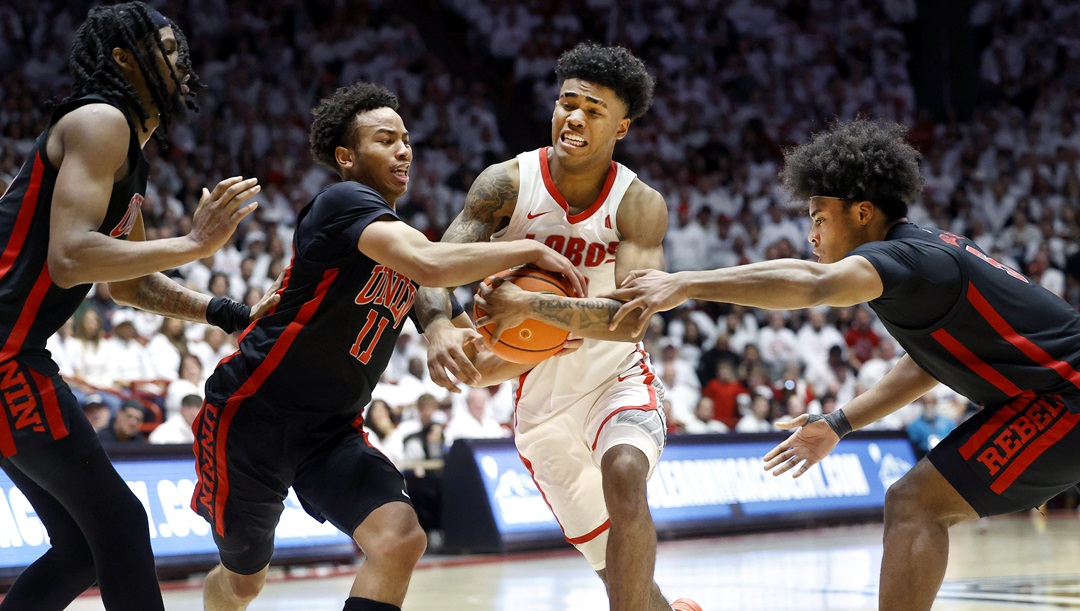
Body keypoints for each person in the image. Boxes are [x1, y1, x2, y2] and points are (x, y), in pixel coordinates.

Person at [606, 118, 1080, 611]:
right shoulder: (921, 259)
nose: (811, 234)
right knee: (914, 502)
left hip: (1065, 397)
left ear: (862, 212)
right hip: (1051, 395)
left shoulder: (907, 260)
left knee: (913, 504)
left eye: (818, 217)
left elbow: (813, 283)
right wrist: (838, 423)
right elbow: (925, 364)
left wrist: (686, 284)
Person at [191, 81, 585, 611]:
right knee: (243, 583)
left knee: (400, 538)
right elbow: (430, 265)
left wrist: (539, 344)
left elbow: (476, 366)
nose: (404, 150)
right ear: (347, 157)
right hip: (254, 415)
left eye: (406, 139)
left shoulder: (401, 244)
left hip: (330, 431)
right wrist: (531, 248)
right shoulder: (344, 201)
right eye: (385, 140)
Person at [0, 4, 273, 610]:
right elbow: (70, 259)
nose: (181, 60)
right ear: (123, 59)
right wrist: (197, 242)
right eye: (164, 49)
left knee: (79, 547)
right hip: (5, 354)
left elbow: (131, 285)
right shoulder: (102, 123)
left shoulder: (127, 150)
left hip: (16, 352)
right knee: (120, 524)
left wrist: (225, 311)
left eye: (180, 48)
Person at [417, 43, 698, 611]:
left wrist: (532, 308)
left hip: (615, 379)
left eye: (594, 110)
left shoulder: (638, 204)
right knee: (620, 578)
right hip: (539, 402)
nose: (575, 117)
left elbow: (629, 321)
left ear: (621, 127)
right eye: (568, 102)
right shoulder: (506, 183)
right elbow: (434, 267)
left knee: (625, 474)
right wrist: (439, 327)